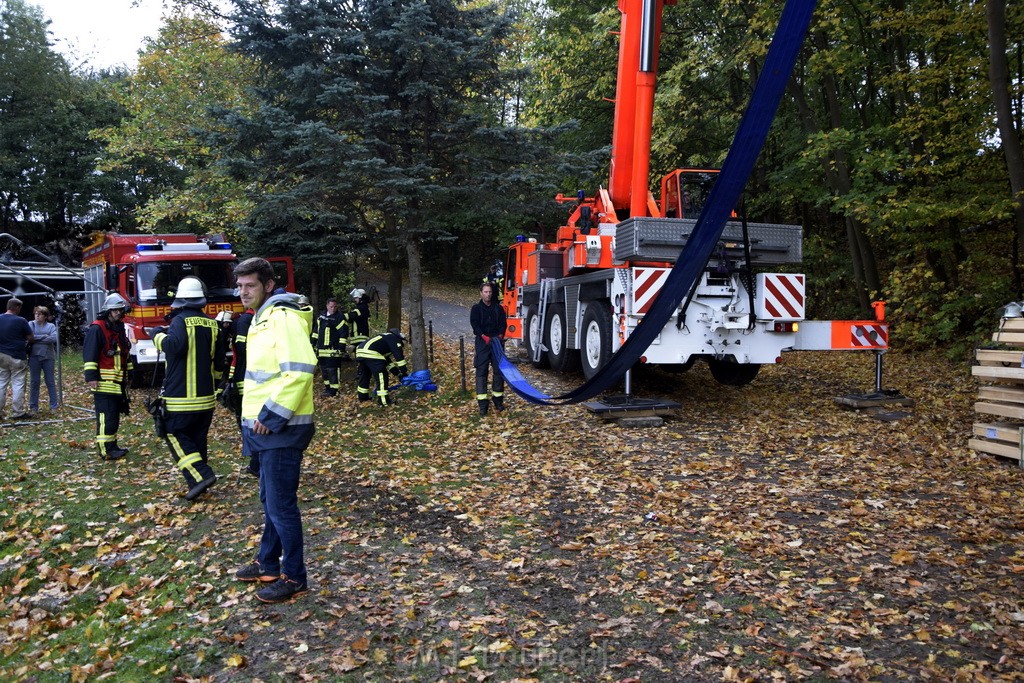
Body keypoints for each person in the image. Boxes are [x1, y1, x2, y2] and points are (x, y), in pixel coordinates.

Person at [231, 257, 316, 604]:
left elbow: (300, 370)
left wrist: (270, 415)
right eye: (239, 286)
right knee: (270, 501)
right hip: (263, 429)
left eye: (249, 285)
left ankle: (294, 576)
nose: (242, 292)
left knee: (281, 505)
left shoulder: (281, 318)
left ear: (268, 285)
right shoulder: (261, 319)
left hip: (280, 429)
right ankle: (267, 563)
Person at [151, 276, 223, 501]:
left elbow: (174, 347)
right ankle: (199, 481)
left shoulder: (180, 321)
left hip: (180, 398)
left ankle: (201, 475)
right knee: (196, 439)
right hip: (205, 399)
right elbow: (219, 362)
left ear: (181, 301)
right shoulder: (213, 323)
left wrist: (157, 335)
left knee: (173, 434)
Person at [83, 294, 132, 459]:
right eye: (115, 310)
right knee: (106, 416)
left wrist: (129, 373)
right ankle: (105, 450)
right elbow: (90, 353)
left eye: (120, 310)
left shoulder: (118, 327)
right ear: (108, 310)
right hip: (103, 381)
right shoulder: (97, 328)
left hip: (117, 381)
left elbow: (124, 353)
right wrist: (91, 377)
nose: (118, 313)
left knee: (114, 416)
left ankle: (112, 445)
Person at [218, 307, 258, 477]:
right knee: (248, 418)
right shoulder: (248, 320)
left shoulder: (245, 321)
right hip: (246, 374)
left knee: (248, 419)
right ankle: (255, 460)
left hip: (246, 375)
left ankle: (256, 461)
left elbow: (241, 349)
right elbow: (240, 349)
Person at [470, 282, 507, 416]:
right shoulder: (476, 309)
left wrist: (500, 335)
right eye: (485, 292)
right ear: (481, 293)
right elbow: (475, 324)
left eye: (490, 292)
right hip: (482, 343)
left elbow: (503, 323)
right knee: (481, 372)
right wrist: (483, 336)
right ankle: (483, 405)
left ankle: (498, 401)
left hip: (497, 343)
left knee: (498, 372)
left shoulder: (498, 308)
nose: (488, 294)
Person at [355, 328, 408, 406]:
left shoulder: (384, 339)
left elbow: (388, 362)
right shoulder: (394, 339)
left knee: (365, 375)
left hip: (360, 351)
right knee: (382, 376)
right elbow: (399, 357)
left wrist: (397, 374)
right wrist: (404, 372)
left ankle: (363, 397)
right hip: (371, 353)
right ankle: (383, 401)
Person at [0, 298, 33, 421]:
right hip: (17, 356)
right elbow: (30, 337)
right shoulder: (21, 320)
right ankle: (18, 412)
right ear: (17, 307)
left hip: (1, 355)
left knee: (1, 383)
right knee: (18, 383)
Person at [311, 297, 346, 396]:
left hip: (333, 350)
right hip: (321, 350)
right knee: (324, 370)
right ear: (327, 306)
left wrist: (341, 348)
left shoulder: (339, 317)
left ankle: (334, 390)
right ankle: (327, 389)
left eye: (335, 307)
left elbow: (343, 334)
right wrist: (312, 344)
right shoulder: (321, 317)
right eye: (331, 306)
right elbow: (316, 332)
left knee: (333, 370)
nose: (333, 309)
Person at [28, 305, 59, 416]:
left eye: (40, 314)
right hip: (34, 357)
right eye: (36, 313)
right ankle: (33, 407)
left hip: (48, 357)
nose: (37, 315)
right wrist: (43, 337)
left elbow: (54, 338)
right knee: (34, 382)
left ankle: (53, 406)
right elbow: (29, 338)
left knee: (50, 381)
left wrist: (36, 338)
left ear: (45, 316)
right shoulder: (30, 324)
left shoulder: (50, 326)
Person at [343, 288, 370, 355]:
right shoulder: (363, 307)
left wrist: (340, 316)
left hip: (360, 335)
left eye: (356, 298)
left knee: (359, 350)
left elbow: (352, 316)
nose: (355, 300)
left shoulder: (362, 307)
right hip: (359, 334)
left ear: (360, 298)